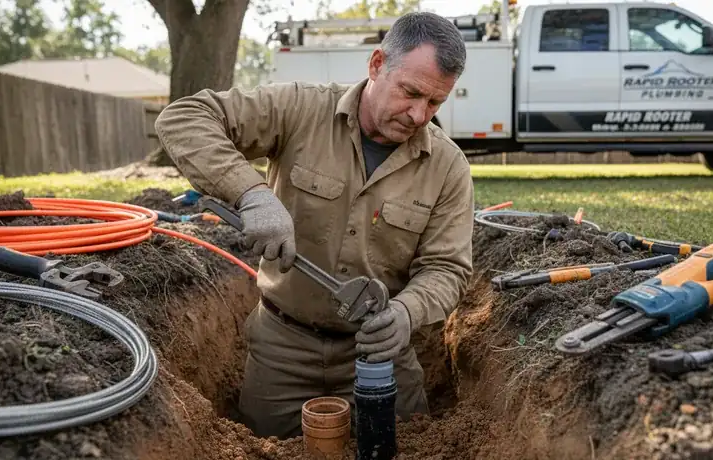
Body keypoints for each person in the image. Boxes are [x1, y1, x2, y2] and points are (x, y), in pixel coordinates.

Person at [154, 11, 474, 439]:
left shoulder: (448, 167)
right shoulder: (300, 109)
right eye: (410, 92)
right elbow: (184, 118)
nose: (419, 115)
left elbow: (447, 268)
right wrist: (252, 193)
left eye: (434, 103)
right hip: (282, 351)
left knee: (407, 445)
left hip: (379, 355)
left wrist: (405, 312)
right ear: (377, 64)